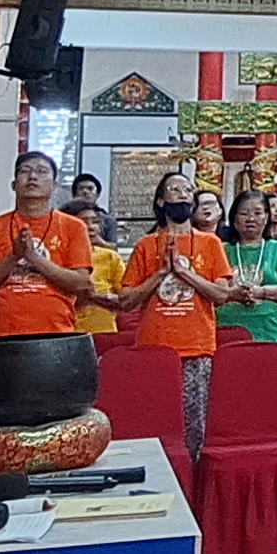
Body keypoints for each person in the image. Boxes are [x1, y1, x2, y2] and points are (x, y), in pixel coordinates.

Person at [114, 179, 233, 453]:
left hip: (196, 347)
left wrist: (184, 273)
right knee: (153, 422)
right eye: (174, 190)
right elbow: (126, 300)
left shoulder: (210, 242)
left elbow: (221, 295)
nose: (182, 194)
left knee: (194, 429)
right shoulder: (146, 245)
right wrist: (160, 274)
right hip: (153, 347)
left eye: (187, 190)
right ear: (161, 201)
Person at [0, 152, 95, 339]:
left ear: (54, 186)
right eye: (25, 171)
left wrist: (34, 258)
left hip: (55, 334)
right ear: (14, 185)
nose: (32, 177)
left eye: (41, 171)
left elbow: (80, 284)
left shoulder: (73, 227)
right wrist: (13, 257)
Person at [215, 189, 277, 348]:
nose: (251, 219)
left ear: (267, 217)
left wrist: (262, 292)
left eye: (258, 213)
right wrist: (233, 294)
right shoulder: (221, 249)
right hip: (228, 324)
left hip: (270, 327)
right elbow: (210, 289)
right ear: (234, 218)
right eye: (244, 214)